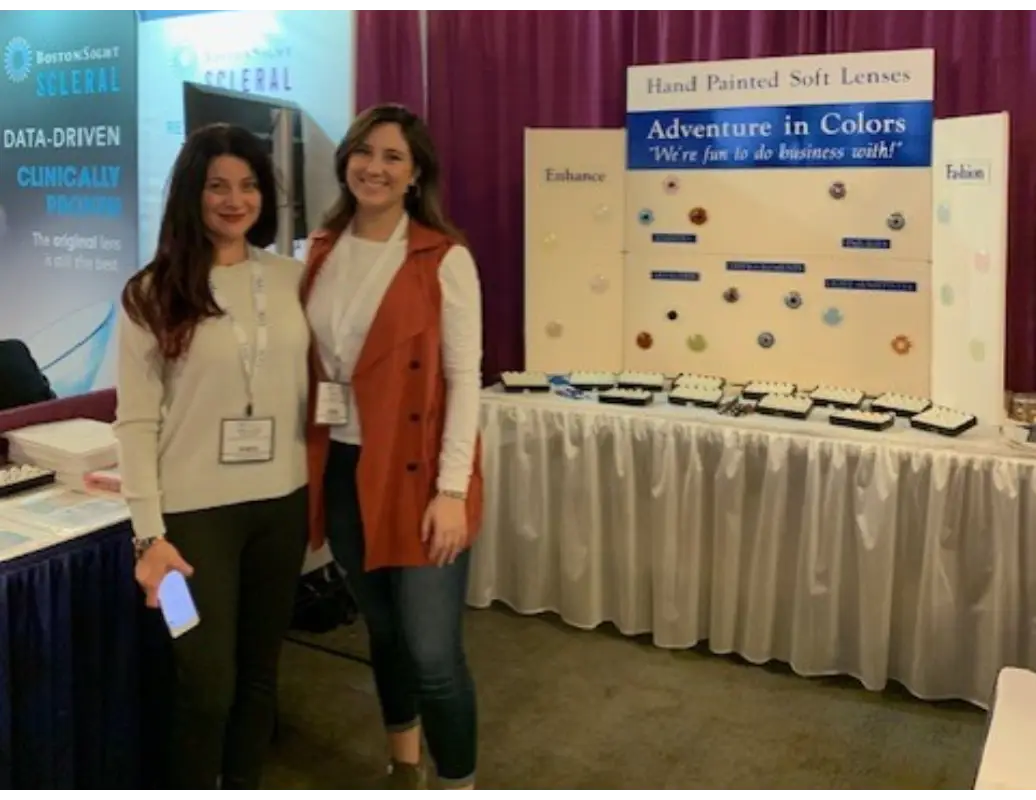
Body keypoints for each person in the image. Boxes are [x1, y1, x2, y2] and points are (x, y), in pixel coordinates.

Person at [114, 123, 310, 792]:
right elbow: (134, 422)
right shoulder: (150, 292)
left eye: (249, 185)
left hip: (280, 509)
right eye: (218, 186)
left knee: (259, 681)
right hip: (185, 526)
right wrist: (149, 535)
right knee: (202, 687)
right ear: (191, 195)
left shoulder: (292, 280)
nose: (235, 200)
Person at [302, 103, 484, 791]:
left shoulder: (443, 257)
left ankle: (458, 783)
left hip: (419, 474)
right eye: (364, 152)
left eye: (393, 157)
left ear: (415, 175)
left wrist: (452, 490)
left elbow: (466, 381)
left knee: (434, 652)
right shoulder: (320, 248)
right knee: (382, 631)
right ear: (346, 159)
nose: (374, 168)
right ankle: (403, 766)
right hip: (345, 464)